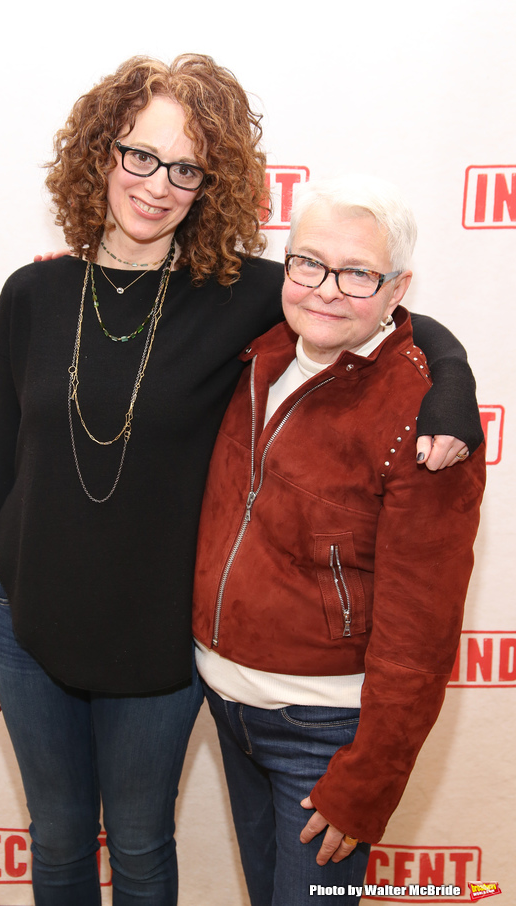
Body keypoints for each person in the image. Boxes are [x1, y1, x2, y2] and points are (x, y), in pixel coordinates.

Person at [0, 54, 482, 906]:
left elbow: (375, 303)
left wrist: (452, 386)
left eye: (186, 168)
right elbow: (0, 463)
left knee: (138, 843)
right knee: (53, 842)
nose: (158, 185)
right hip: (27, 621)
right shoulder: (30, 295)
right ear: (101, 154)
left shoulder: (238, 292)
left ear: (211, 182)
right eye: (140, 155)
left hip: (157, 637)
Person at [193, 174, 486, 906]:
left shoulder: (423, 422)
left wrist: (368, 780)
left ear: (397, 289)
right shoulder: (257, 349)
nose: (326, 288)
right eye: (309, 263)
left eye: (358, 273)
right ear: (286, 264)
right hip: (227, 705)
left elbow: (420, 637)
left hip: (322, 735)